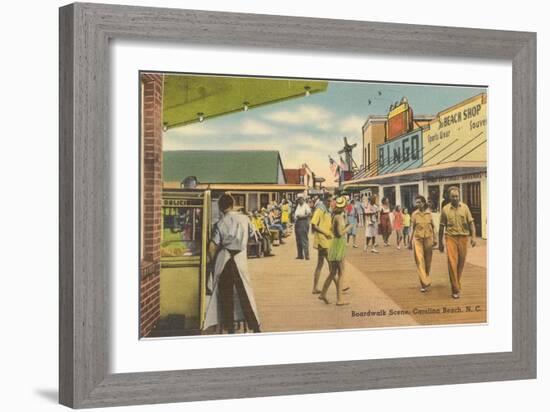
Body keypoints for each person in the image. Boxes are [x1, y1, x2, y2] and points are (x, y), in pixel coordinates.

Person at [204, 194, 261, 334]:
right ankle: (254, 325)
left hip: (225, 260)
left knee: (226, 296)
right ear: (233, 204)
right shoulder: (245, 218)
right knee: (245, 293)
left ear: (220, 207)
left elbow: (212, 246)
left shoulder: (220, 223)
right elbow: (253, 236)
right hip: (240, 259)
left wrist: (211, 263)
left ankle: (229, 328)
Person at [438, 186, 476, 299]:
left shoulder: (465, 208)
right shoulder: (445, 209)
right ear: (449, 197)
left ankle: (456, 283)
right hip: (450, 238)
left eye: (457, 196)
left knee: (461, 263)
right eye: (453, 196)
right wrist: (440, 243)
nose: (455, 198)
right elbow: (441, 227)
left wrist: (473, 237)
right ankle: (455, 289)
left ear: (459, 196)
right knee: (451, 262)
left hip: (463, 238)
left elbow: (471, 223)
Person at [319, 196, 352, 306]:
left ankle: (323, 293)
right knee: (341, 272)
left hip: (334, 244)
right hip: (339, 245)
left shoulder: (336, 216)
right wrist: (348, 228)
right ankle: (339, 299)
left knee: (333, 272)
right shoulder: (339, 217)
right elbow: (339, 233)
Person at [408, 195, 436, 293]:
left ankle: (426, 278)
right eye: (417, 202)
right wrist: (410, 241)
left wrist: (435, 239)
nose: (418, 204)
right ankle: (423, 283)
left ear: (423, 203)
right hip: (418, 240)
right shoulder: (414, 214)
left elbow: (433, 227)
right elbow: (412, 228)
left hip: (428, 239)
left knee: (428, 263)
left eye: (419, 202)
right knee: (419, 261)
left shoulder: (429, 214)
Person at [310, 195, 333, 294]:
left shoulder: (327, 210)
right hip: (322, 240)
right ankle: (339, 286)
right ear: (324, 200)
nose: (329, 203)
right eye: (328, 201)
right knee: (331, 264)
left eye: (330, 201)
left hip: (326, 240)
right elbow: (314, 225)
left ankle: (315, 288)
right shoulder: (320, 210)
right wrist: (325, 233)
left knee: (320, 264)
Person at [293, 194, 312, 259]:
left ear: (302, 199)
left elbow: (309, 214)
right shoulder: (298, 206)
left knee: (304, 239)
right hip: (297, 222)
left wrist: (302, 216)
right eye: (298, 200)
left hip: (303, 222)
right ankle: (300, 255)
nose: (298, 201)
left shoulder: (306, 206)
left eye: (299, 199)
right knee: (298, 239)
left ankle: (307, 255)